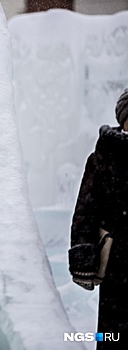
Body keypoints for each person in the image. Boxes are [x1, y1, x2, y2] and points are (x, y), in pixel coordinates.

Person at [69, 89, 128, 348]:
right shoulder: (104, 157)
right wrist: (84, 258)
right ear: (123, 119)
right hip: (119, 264)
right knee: (115, 333)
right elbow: (86, 210)